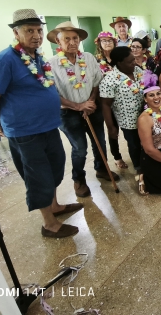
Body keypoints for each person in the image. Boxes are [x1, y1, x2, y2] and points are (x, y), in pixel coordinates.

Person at [0, 9, 80, 238]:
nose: (36, 35)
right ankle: (49, 224)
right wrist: (2, 127)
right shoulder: (4, 61)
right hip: (25, 132)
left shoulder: (36, 57)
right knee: (39, 176)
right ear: (16, 32)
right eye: (29, 31)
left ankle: (54, 206)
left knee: (55, 168)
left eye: (38, 30)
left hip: (48, 126)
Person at [47, 21, 119, 198]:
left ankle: (102, 168)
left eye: (75, 38)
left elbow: (96, 81)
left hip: (91, 107)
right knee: (80, 148)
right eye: (67, 39)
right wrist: (78, 106)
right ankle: (79, 180)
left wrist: (91, 102)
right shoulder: (51, 64)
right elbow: (52, 94)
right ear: (58, 41)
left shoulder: (87, 57)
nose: (72, 42)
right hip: (67, 112)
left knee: (99, 142)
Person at [100, 46, 145, 174]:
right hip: (128, 120)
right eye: (130, 61)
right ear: (119, 63)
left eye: (134, 60)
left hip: (145, 116)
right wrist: (111, 127)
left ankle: (148, 163)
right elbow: (106, 105)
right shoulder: (110, 79)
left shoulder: (137, 70)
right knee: (134, 144)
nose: (134, 63)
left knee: (145, 142)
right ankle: (139, 168)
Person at [94, 31, 128, 169]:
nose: (107, 43)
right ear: (99, 44)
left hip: (123, 99)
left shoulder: (120, 58)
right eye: (104, 41)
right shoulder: (95, 61)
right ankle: (117, 156)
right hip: (106, 100)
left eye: (109, 40)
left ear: (114, 43)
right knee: (112, 128)